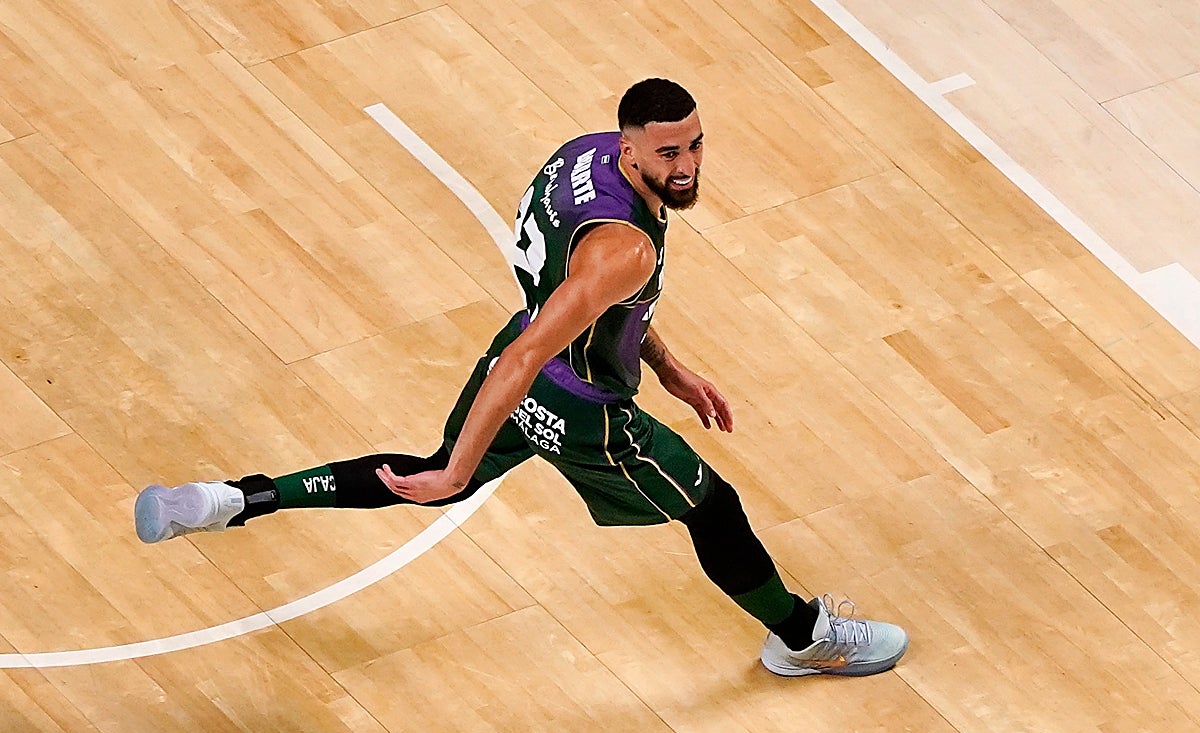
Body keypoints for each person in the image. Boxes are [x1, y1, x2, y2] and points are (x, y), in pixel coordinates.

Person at [135, 78, 907, 677]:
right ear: (633, 150)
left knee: (428, 469)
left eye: (697, 146)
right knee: (713, 507)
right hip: (581, 408)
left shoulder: (583, 154)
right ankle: (804, 640)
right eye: (670, 154)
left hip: (530, 358)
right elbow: (537, 348)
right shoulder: (627, 246)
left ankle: (230, 500)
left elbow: (584, 306)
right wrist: (462, 473)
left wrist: (666, 364)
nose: (689, 166)